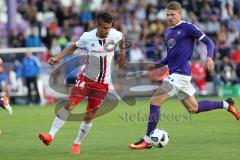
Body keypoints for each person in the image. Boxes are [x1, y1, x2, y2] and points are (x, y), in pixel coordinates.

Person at [128, 1, 240, 150]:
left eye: (172, 14)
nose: (169, 17)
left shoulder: (188, 27)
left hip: (180, 75)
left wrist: (209, 57)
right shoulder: (168, 32)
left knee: (155, 100)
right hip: (178, 75)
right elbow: (169, 58)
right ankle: (227, 104)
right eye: (167, 15)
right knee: (194, 108)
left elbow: (209, 42)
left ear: (180, 14)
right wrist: (152, 66)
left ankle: (148, 139)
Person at [38, 12, 126, 154]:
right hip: (86, 78)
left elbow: (122, 38)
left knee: (89, 115)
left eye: (109, 27)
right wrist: (58, 57)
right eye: (104, 28)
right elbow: (73, 46)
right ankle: (50, 136)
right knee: (70, 104)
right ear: (96, 26)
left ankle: (77, 144)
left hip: (102, 83)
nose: (107, 30)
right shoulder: (87, 37)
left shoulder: (114, 34)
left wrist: (122, 54)